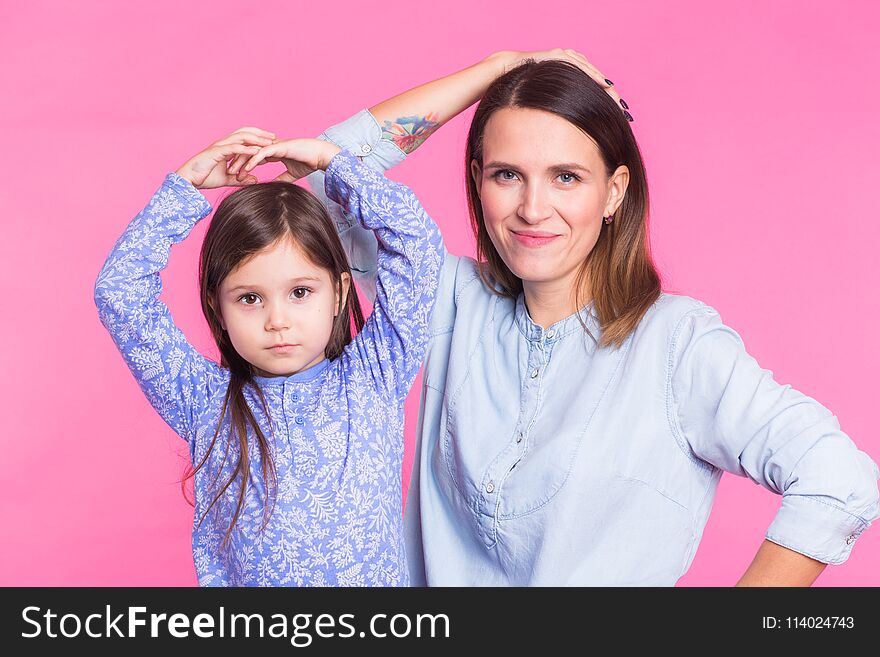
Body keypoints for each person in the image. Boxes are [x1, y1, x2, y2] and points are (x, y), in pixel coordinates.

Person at [274, 50, 880, 585]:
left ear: (614, 192)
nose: (533, 208)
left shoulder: (677, 344)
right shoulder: (444, 300)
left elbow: (838, 479)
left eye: (567, 177)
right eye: (507, 175)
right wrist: (496, 71)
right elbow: (323, 181)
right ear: (478, 184)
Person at [94, 129, 444, 586]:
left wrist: (333, 163)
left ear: (338, 292)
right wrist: (186, 186)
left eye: (300, 292)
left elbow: (417, 242)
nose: (277, 320)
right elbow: (119, 291)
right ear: (217, 307)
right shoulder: (204, 402)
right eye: (250, 298)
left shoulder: (375, 372)